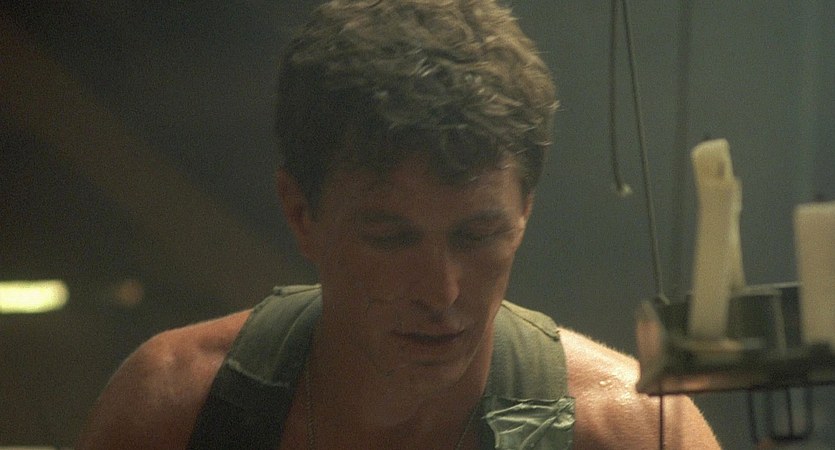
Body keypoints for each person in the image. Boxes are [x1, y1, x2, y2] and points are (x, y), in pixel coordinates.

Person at [76, 0, 720, 448]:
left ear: (524, 212)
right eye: (390, 237)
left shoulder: (632, 432)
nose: (441, 291)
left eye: (477, 235)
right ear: (302, 215)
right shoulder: (174, 412)